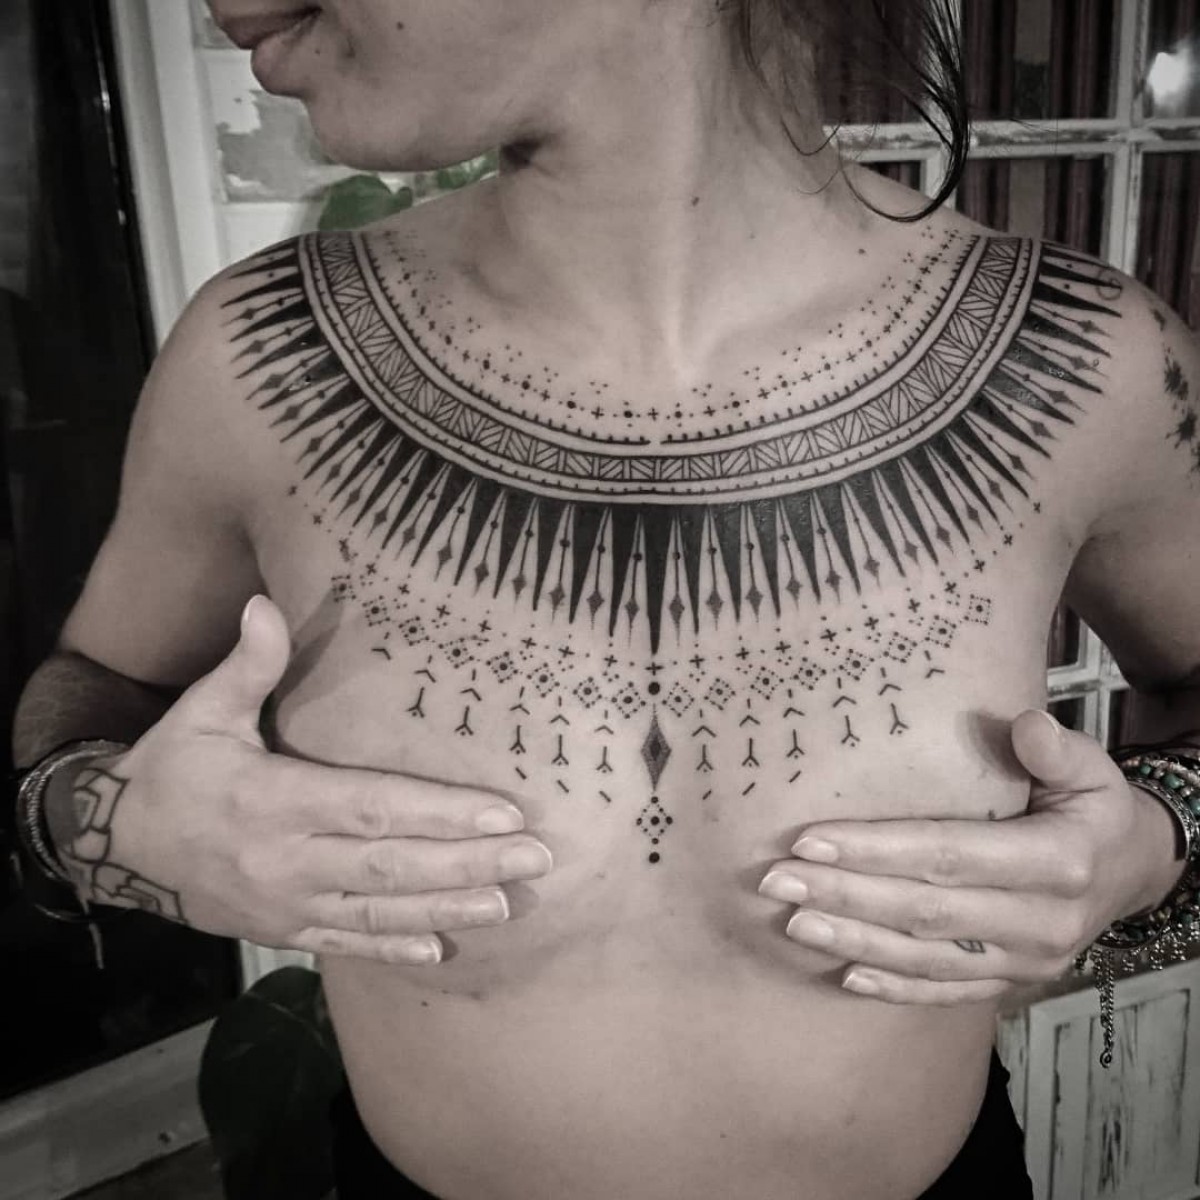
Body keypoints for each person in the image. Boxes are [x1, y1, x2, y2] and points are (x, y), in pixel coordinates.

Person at [12, 1, 1200, 1196]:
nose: (232, 5)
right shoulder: (259, 359)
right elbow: (87, 699)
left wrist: (1153, 845)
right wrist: (96, 819)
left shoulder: (1089, 366)